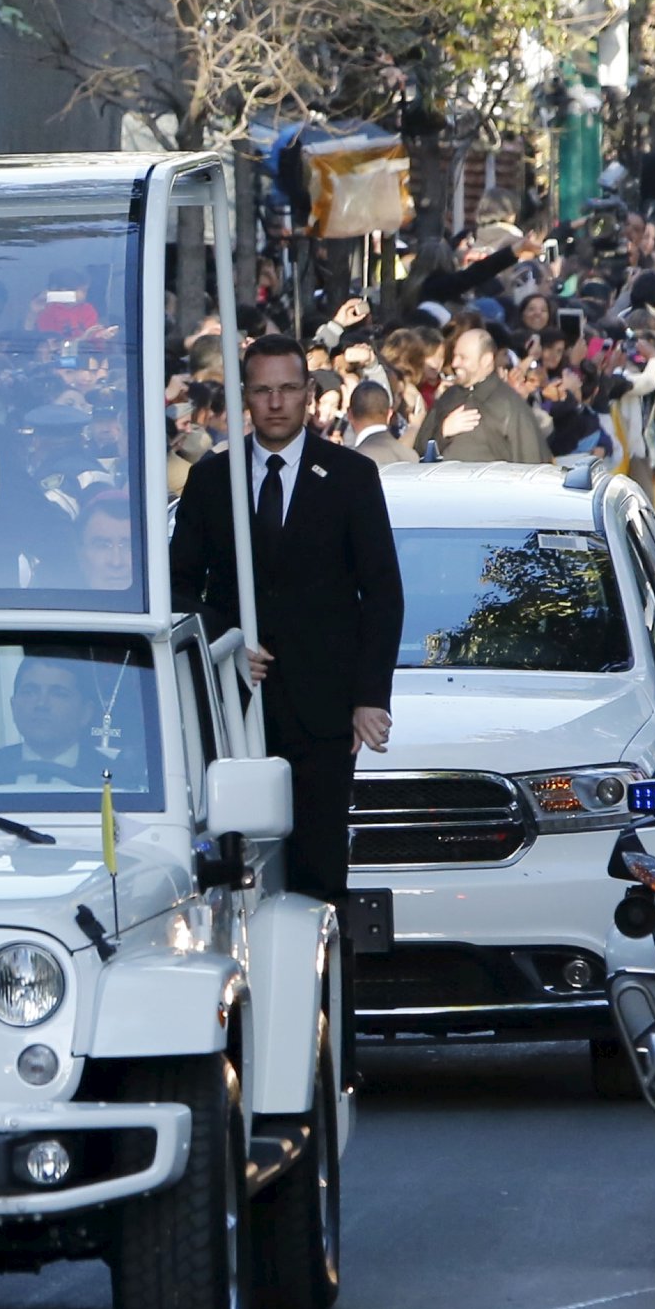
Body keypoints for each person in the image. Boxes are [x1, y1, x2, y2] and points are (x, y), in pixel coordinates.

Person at [165, 334, 401, 902]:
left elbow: (384, 592)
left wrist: (371, 696)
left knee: (318, 873)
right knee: (235, 873)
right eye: (263, 390)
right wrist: (224, 640)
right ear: (245, 396)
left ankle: (320, 985)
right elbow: (178, 586)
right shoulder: (210, 480)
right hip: (233, 711)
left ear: (309, 394)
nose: (275, 402)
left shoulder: (350, 477)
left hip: (323, 716)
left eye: (288, 389)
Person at [0, 656, 110, 788]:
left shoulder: (116, 777)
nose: (41, 704)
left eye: (59, 694)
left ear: (86, 712)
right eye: (30, 692)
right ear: (13, 706)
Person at [423, 322, 553, 465]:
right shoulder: (448, 397)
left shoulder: (510, 404)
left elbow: (531, 461)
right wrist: (443, 431)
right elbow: (420, 450)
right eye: (455, 356)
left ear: (486, 360)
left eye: (463, 357)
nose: (455, 363)